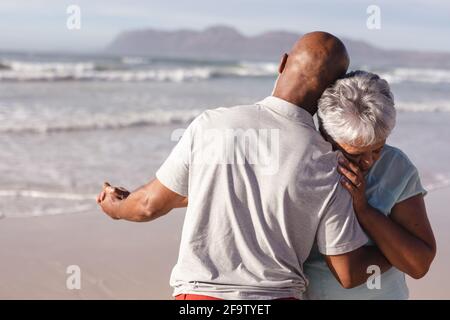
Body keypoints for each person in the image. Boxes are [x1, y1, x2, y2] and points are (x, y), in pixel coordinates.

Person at [96, 32, 390, 300]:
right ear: (331, 92)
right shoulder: (327, 161)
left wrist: (115, 207)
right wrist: (397, 256)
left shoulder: (212, 125)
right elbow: (348, 272)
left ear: (282, 63)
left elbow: (147, 204)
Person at [303, 70, 437, 300]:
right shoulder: (303, 165)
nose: (369, 161)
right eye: (356, 154)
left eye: (377, 148)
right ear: (325, 135)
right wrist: (394, 253)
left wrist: (364, 209)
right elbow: (348, 274)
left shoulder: (395, 166)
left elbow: (418, 264)